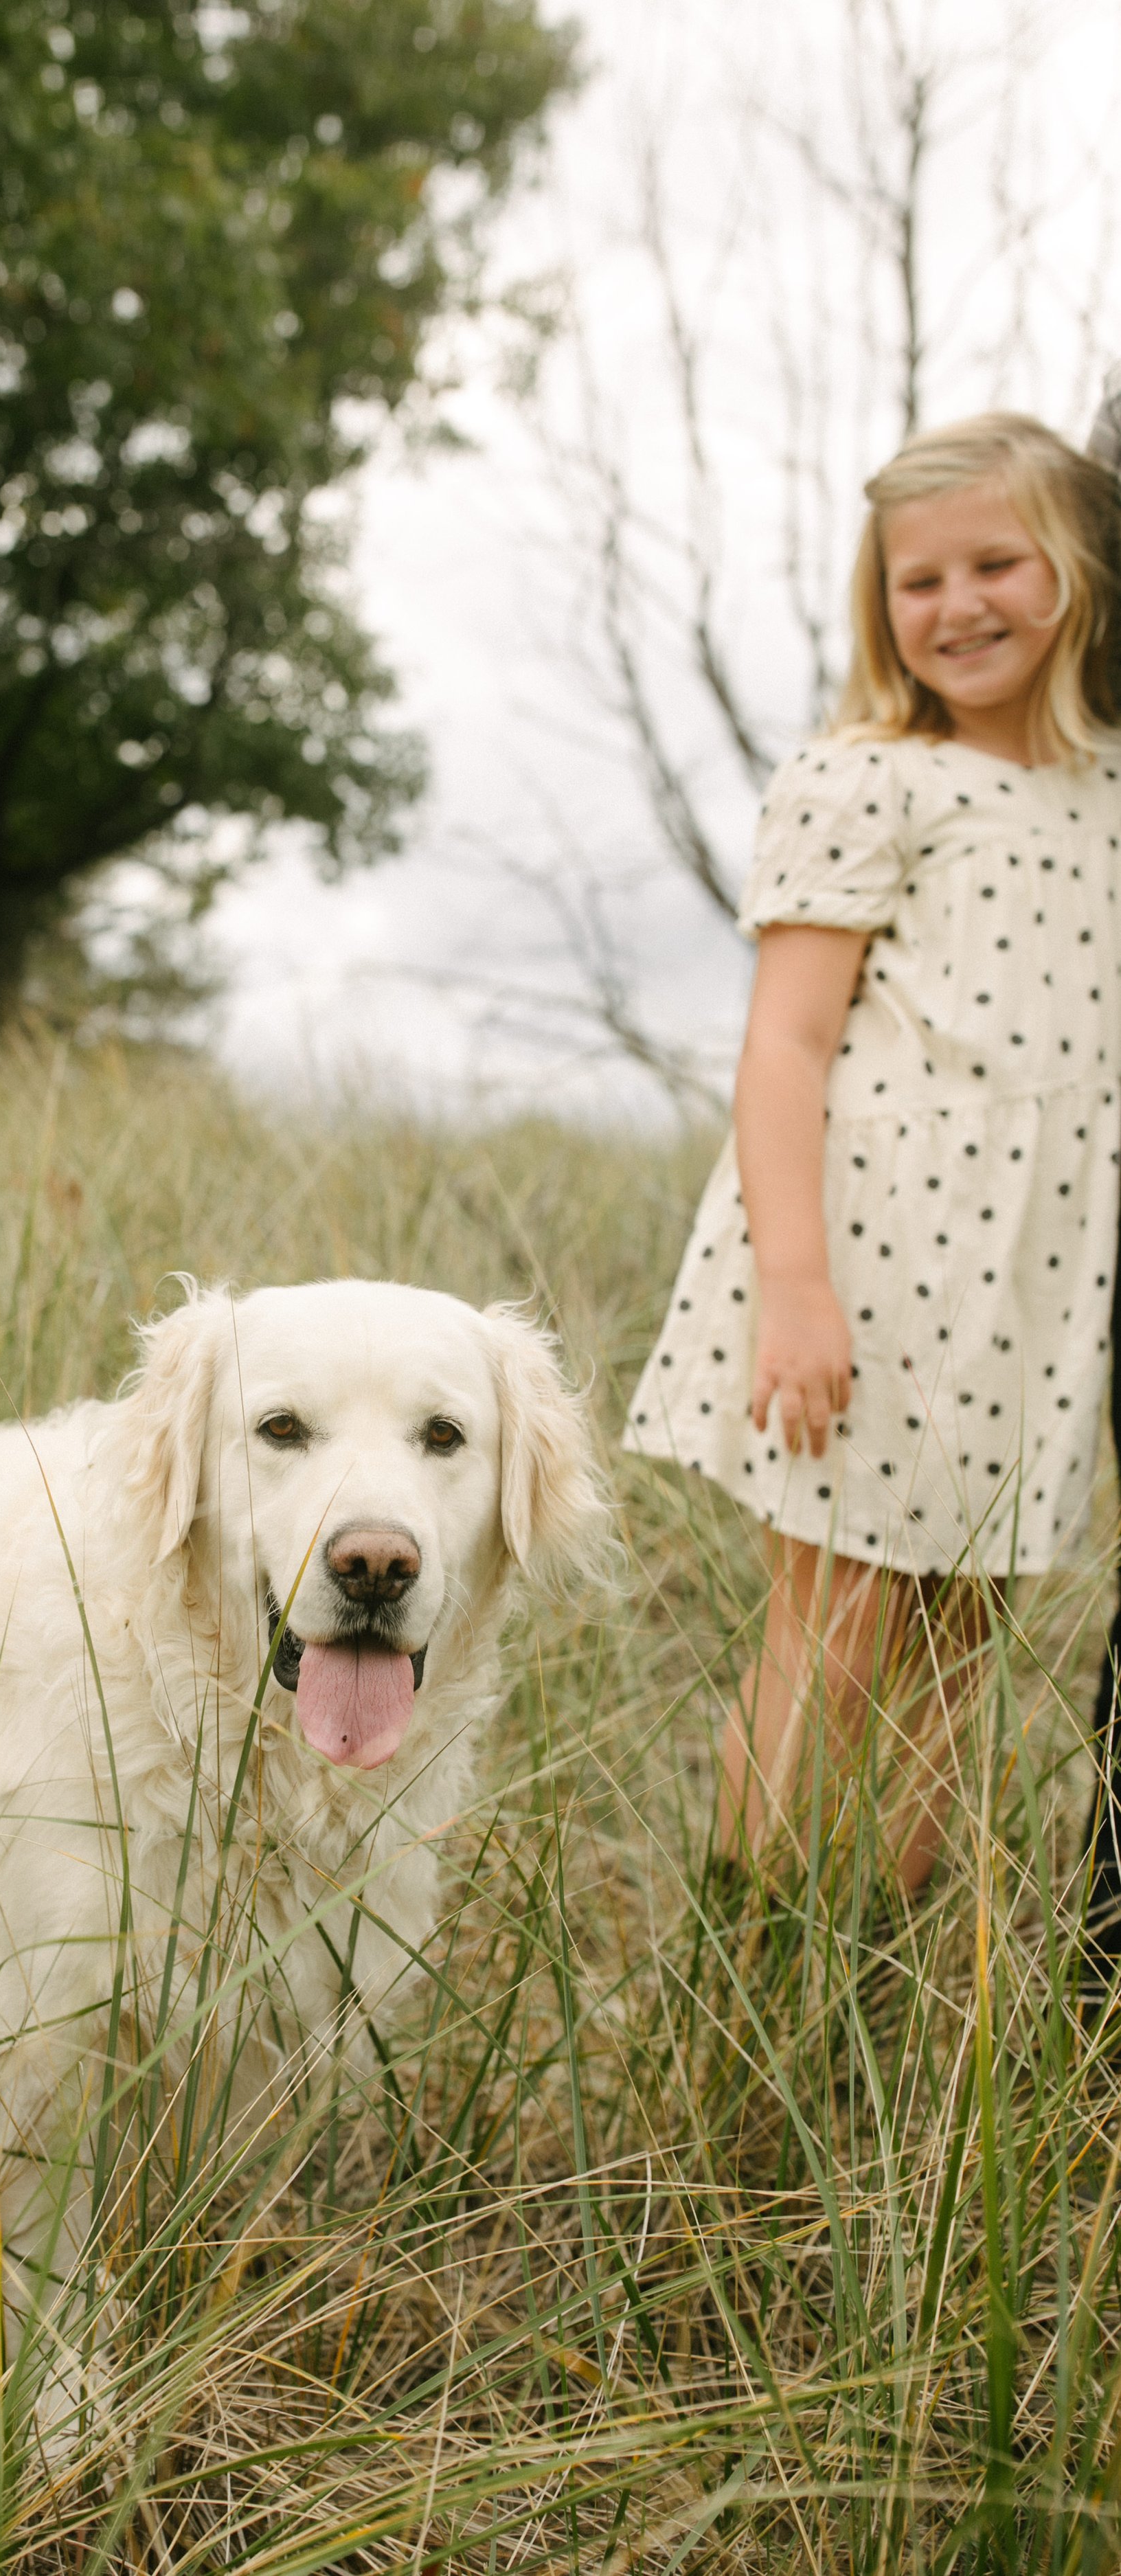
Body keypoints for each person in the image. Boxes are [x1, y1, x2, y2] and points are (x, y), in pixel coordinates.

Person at [625, 410, 1121, 1900]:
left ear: (1075, 573)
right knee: (834, 1633)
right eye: (918, 581)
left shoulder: (1103, 792)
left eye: (995, 564)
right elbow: (781, 1046)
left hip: (1029, 1288)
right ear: (877, 604)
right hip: (874, 1264)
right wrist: (794, 1290)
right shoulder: (867, 778)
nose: (957, 606)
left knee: (955, 1645)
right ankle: (753, 1962)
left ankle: (873, 1972)